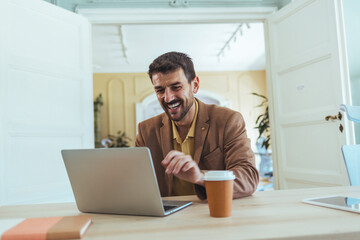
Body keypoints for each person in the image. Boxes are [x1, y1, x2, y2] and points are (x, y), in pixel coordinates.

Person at [135, 52, 259, 199]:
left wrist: (200, 177)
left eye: (176, 87)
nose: (168, 97)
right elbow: (136, 183)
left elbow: (248, 178)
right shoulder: (146, 130)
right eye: (160, 90)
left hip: (213, 213)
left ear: (195, 85)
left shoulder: (228, 120)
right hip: (167, 219)